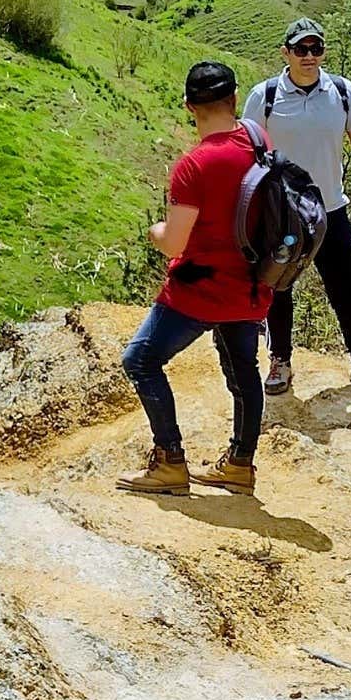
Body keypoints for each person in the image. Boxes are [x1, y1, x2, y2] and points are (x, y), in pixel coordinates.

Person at [120, 61, 275, 496]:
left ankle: (170, 460)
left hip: (199, 291)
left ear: (190, 106)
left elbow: (174, 243)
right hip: (250, 286)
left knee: (140, 361)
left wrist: (155, 232)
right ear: (233, 99)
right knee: (244, 370)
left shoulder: (195, 164)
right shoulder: (259, 141)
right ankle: (240, 465)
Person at [245, 17, 351, 398]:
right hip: (281, 211)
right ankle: (281, 361)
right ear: (285, 52)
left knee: (346, 289)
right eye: (301, 49)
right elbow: (247, 148)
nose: (309, 56)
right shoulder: (265, 95)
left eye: (315, 49)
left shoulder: (340, 90)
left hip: (331, 208)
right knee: (278, 286)